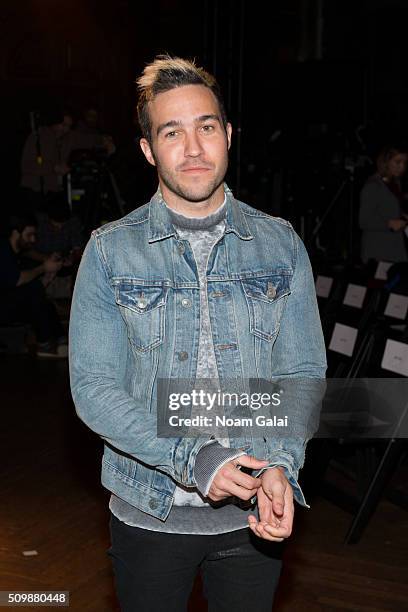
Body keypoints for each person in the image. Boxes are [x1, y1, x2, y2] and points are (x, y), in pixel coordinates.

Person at [69, 55, 326, 611]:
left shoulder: (280, 243)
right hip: (150, 510)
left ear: (228, 135)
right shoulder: (110, 251)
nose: (192, 148)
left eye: (206, 127)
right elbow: (94, 390)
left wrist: (281, 463)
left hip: (255, 512)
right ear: (148, 150)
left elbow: (301, 373)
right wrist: (197, 459)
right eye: (171, 131)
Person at [0, 211, 67, 358]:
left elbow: (28, 287)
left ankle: (61, 338)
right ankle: (45, 344)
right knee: (34, 294)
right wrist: (44, 267)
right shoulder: (3, 250)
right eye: (29, 235)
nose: (33, 239)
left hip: (10, 303)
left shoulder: (18, 254)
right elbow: (16, 280)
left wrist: (48, 275)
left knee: (41, 299)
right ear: (16, 233)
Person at [359, 144, 408, 263]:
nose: (402, 167)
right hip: (378, 251)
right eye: (398, 162)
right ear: (386, 162)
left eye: (405, 163)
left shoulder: (395, 183)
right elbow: (363, 220)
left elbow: (389, 209)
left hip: (394, 248)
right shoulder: (373, 185)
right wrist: (389, 223)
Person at [20, 109, 74, 195]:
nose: (66, 129)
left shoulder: (66, 139)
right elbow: (26, 165)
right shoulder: (37, 136)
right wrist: (54, 168)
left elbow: (84, 139)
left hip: (54, 192)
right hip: (34, 191)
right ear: (54, 122)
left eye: (69, 126)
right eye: (63, 125)